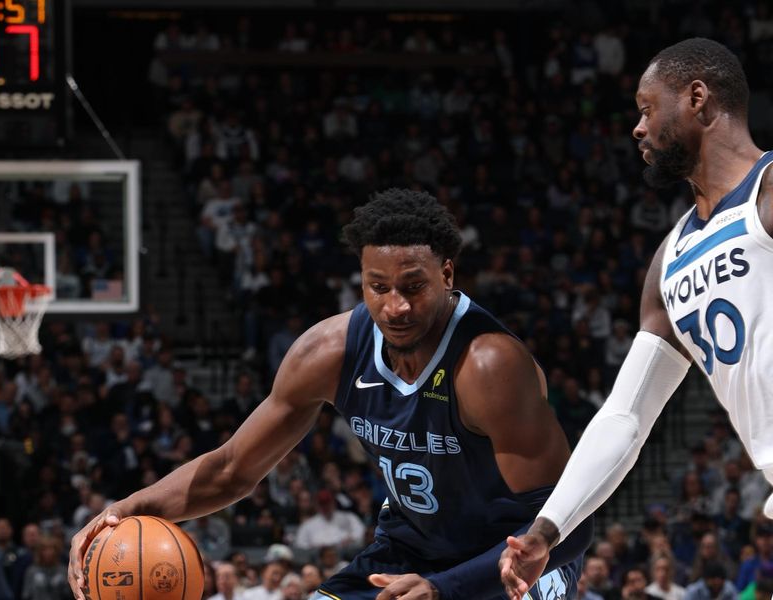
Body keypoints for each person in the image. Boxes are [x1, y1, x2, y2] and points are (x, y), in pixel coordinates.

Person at [69, 189, 592, 600]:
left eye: (413, 286)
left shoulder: (489, 365)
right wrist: (125, 508)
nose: (395, 307)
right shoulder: (329, 351)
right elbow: (232, 470)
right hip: (407, 552)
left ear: (446, 274)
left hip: (507, 564)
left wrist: (446, 588)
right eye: (377, 286)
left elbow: (571, 525)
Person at [500, 37, 773, 600]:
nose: (637, 128)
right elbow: (626, 415)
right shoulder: (670, 258)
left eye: (647, 107)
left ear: (697, 97)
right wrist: (546, 531)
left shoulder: (769, 192)